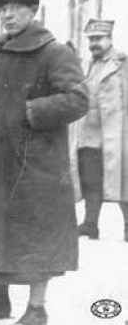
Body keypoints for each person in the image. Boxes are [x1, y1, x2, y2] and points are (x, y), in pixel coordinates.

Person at [0, 0, 88, 325]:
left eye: (16, 7)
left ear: (33, 9)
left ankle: (36, 309)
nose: (8, 15)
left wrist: (33, 112)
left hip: (35, 165)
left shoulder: (53, 52)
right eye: (2, 8)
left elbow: (78, 99)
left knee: (34, 237)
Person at [72, 19, 128, 241]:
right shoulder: (86, 64)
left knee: (124, 180)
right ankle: (90, 224)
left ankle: (127, 226)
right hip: (89, 133)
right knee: (91, 180)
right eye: (91, 39)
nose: (94, 43)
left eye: (98, 39)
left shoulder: (121, 63)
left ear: (110, 38)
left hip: (117, 132)